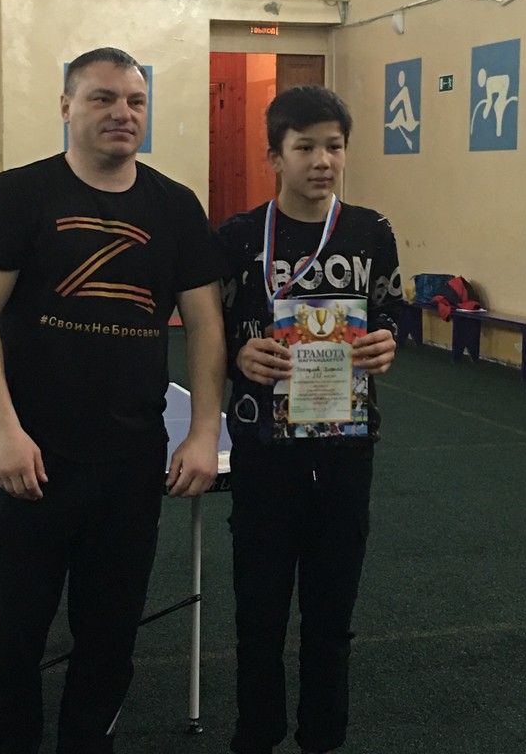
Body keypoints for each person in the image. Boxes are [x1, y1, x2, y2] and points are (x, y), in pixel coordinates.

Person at [0, 46, 225, 754]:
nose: (121, 113)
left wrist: (203, 432)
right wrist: (2, 431)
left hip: (131, 465)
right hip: (32, 462)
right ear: (66, 106)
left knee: (109, 643)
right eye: (103, 98)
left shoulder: (176, 206)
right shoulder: (18, 195)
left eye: (135, 101)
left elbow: (206, 324)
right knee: (12, 644)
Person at [216, 85, 403, 754]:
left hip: (346, 451)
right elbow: (212, 333)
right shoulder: (239, 238)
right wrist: (239, 354)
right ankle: (256, 736)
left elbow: (389, 313)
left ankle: (323, 738)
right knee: (259, 616)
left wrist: (387, 341)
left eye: (334, 147)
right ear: (275, 156)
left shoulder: (371, 231)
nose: (322, 161)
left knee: (331, 618)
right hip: (264, 452)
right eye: (305, 148)